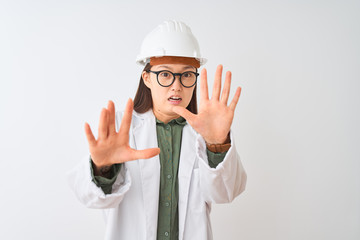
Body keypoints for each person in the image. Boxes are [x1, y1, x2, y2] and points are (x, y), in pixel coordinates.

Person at [67, 20, 247, 240]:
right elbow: (89, 197)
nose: (176, 85)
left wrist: (216, 146)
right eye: (165, 74)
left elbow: (225, 193)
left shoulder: (206, 134)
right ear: (147, 78)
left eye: (187, 74)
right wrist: (102, 168)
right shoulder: (121, 129)